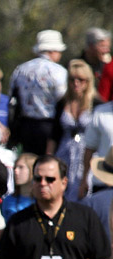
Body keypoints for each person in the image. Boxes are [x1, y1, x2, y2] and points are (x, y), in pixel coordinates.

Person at [9, 30, 68, 155]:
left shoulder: (21, 69)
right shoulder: (58, 71)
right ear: (52, 51)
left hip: (25, 126)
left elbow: (13, 97)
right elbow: (62, 99)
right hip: (49, 127)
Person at [47, 59, 100, 199]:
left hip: (88, 152)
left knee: (85, 189)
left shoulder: (96, 104)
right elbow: (54, 134)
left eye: (81, 80)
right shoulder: (62, 102)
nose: (76, 83)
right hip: (65, 151)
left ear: (88, 81)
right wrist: (48, 158)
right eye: (72, 79)